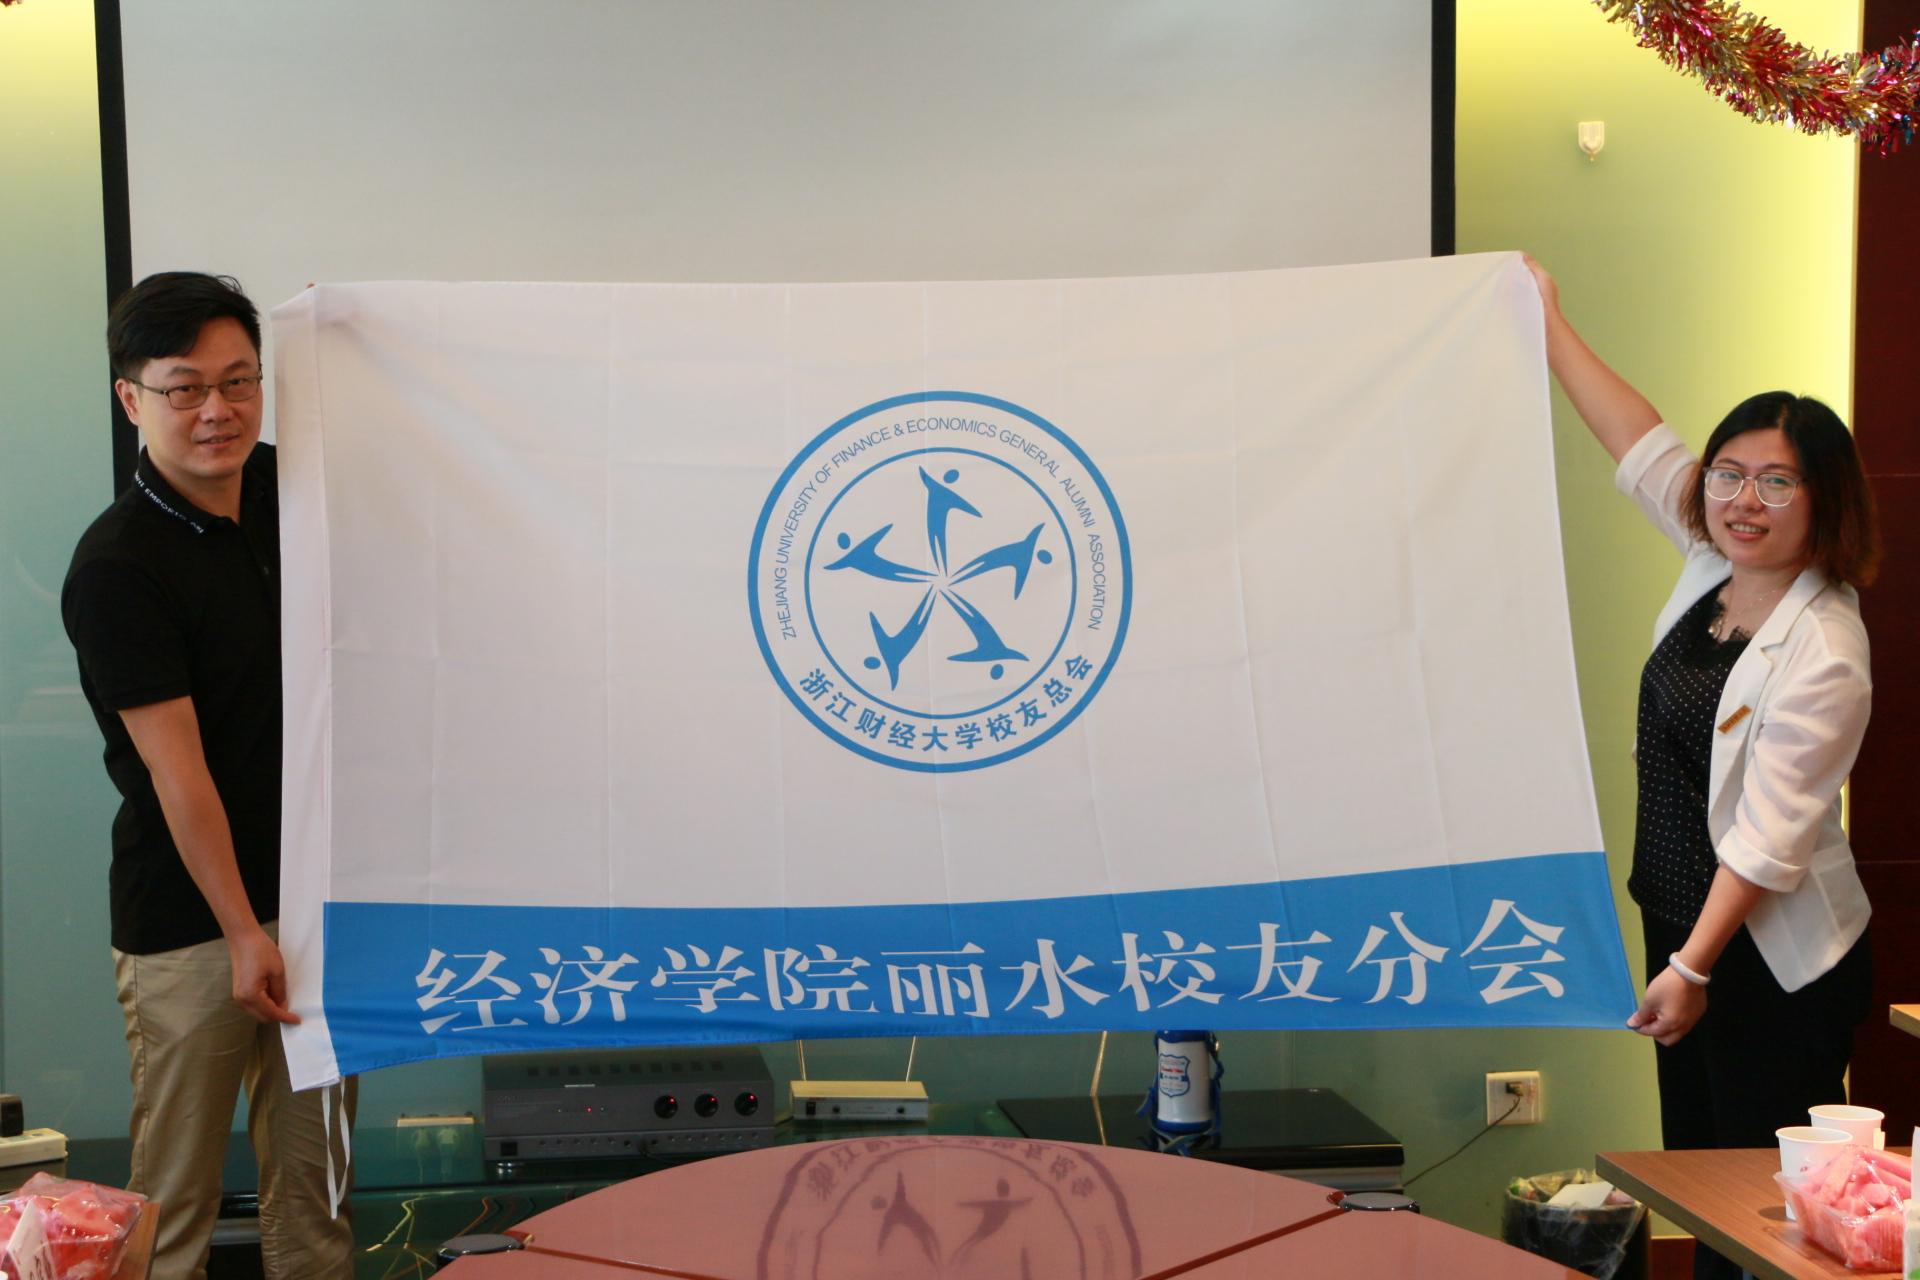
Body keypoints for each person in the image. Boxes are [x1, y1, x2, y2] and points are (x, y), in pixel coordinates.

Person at [1528, 258, 1877, 1280]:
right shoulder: (1714, 562)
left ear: (1823, 498)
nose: (1742, 499)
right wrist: (1548, 318)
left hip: (1768, 956)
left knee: (1765, 1206)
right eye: (1728, 473)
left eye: (1777, 481)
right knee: (1696, 1178)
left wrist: (1692, 970)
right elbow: (1636, 441)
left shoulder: (1827, 646)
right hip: (1684, 921)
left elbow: (1769, 839)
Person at [62, 272, 355, 1280]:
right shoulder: (118, 566)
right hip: (192, 922)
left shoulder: (289, 489)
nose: (217, 410)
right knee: (174, 1207)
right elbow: (176, 772)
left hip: (312, 905)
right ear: (131, 397)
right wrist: (241, 931)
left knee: (318, 1195)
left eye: (239, 381)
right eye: (184, 388)